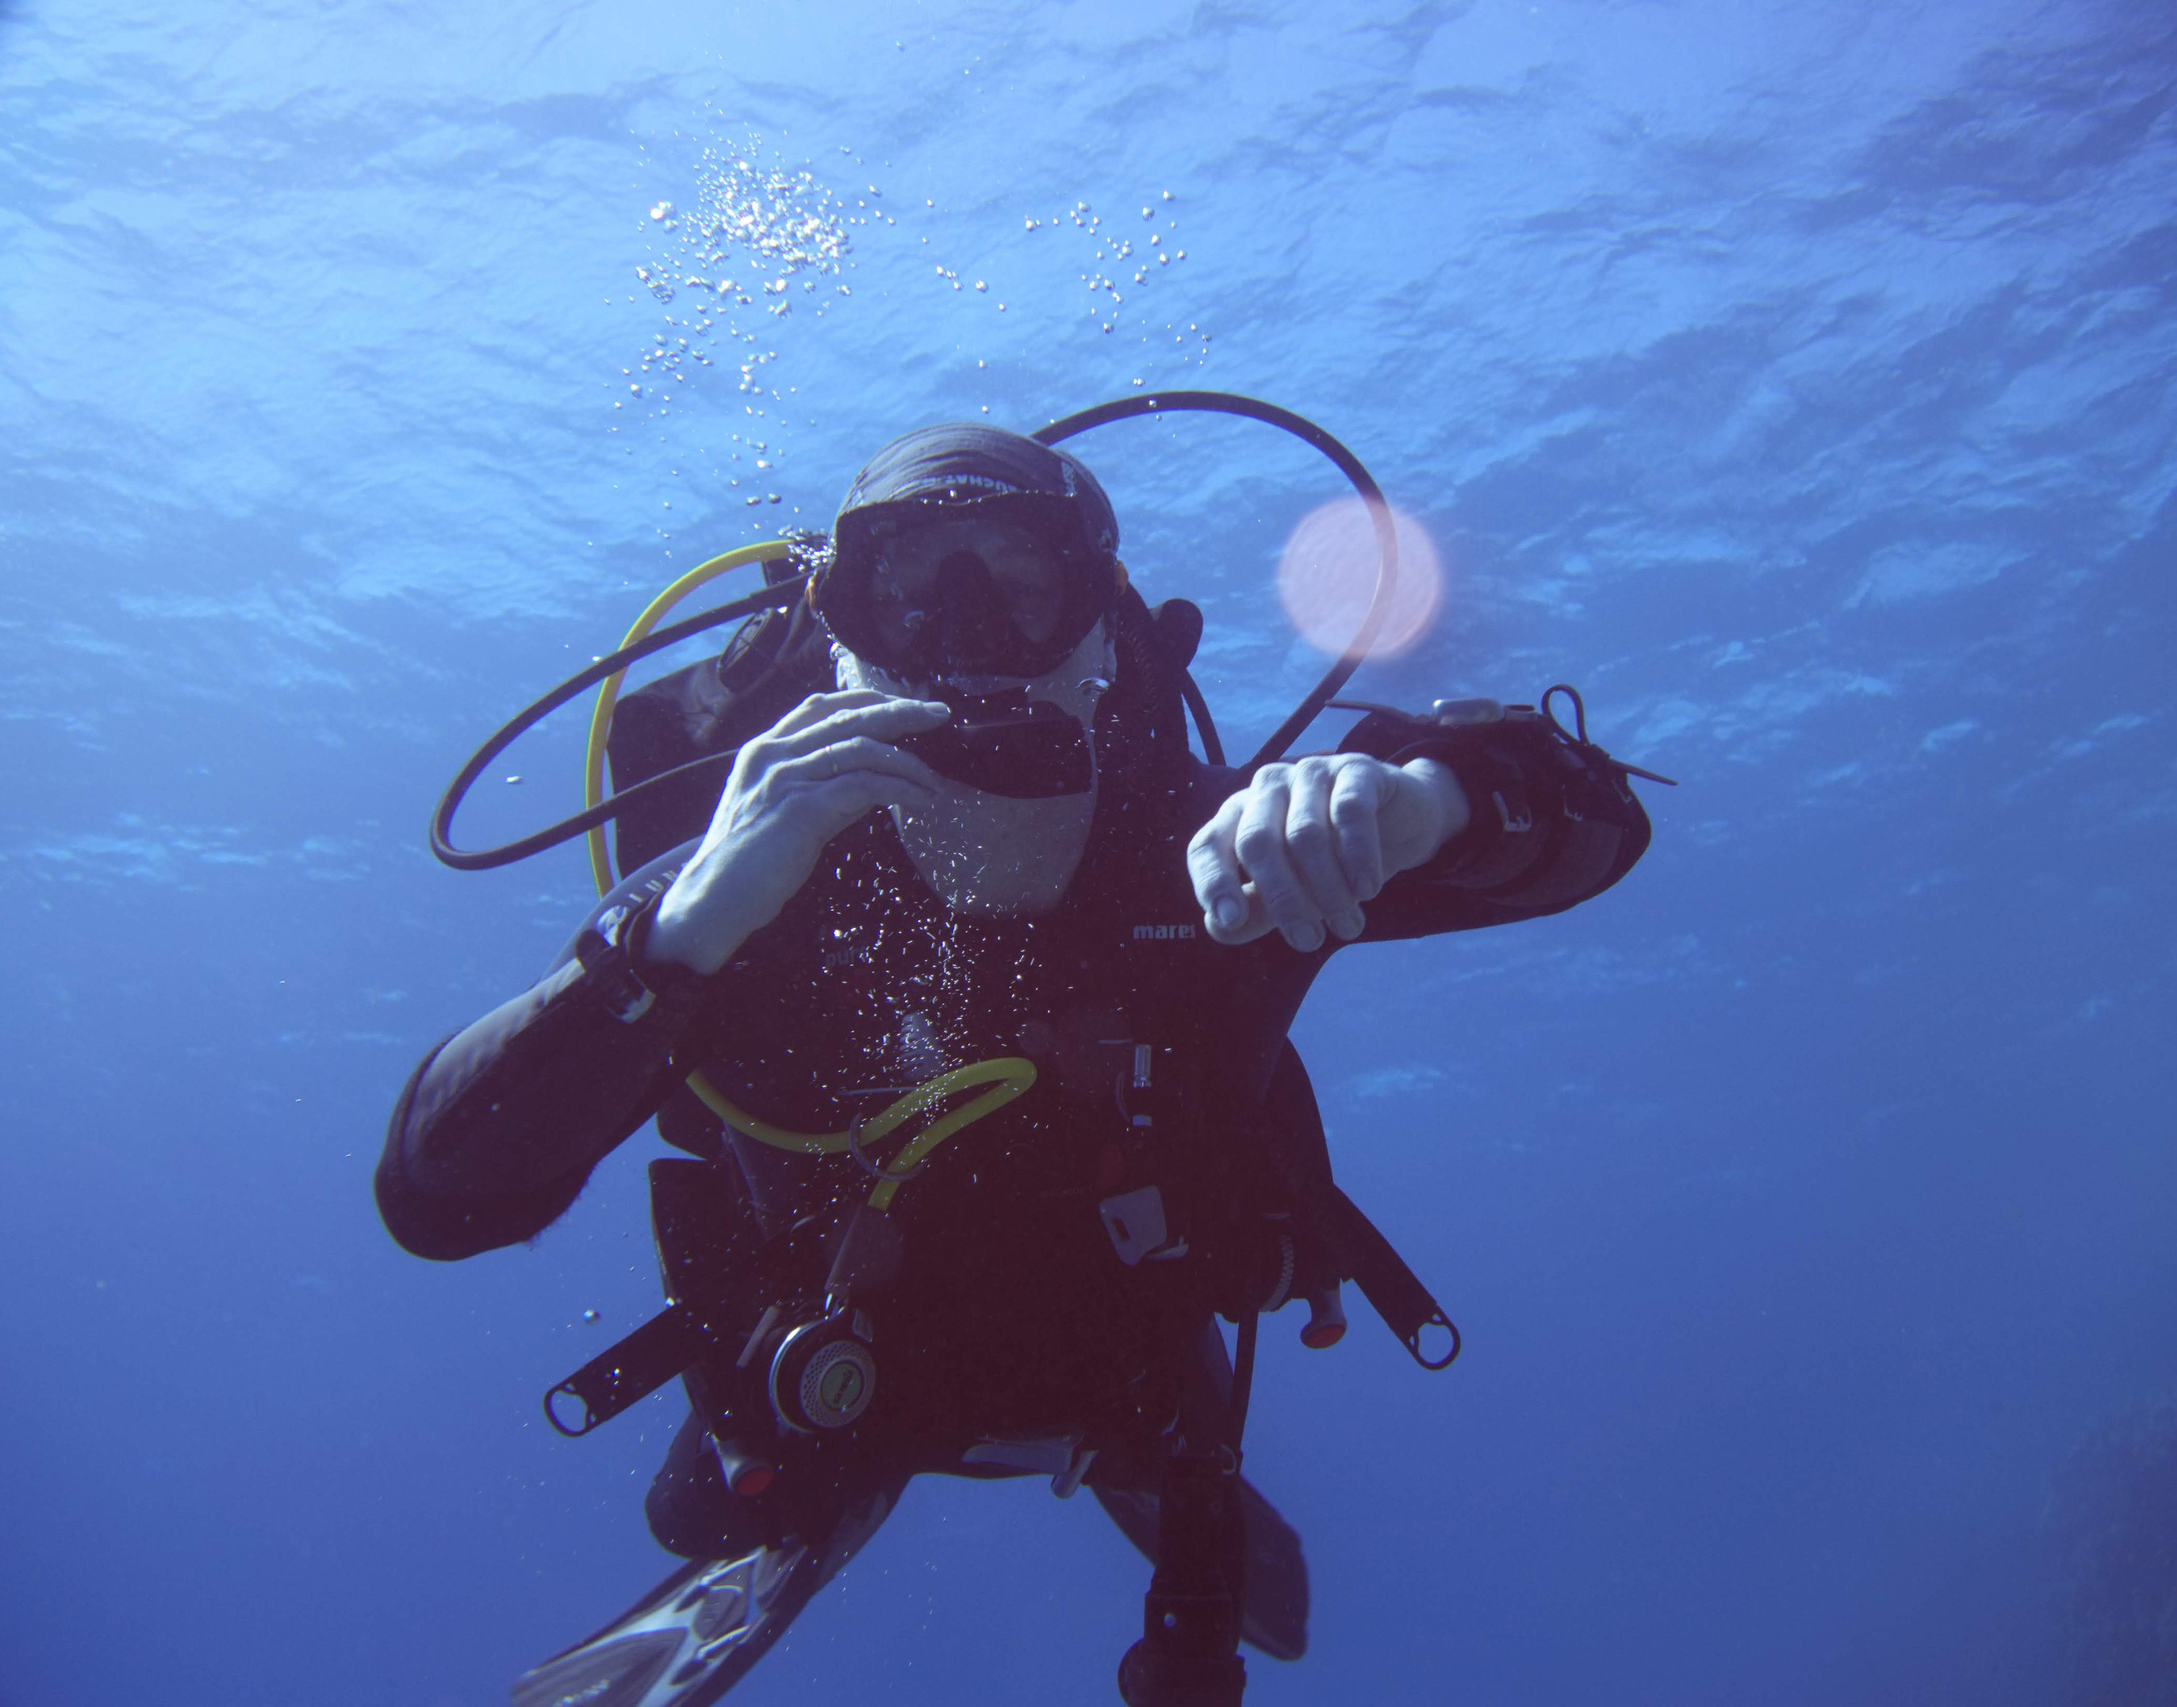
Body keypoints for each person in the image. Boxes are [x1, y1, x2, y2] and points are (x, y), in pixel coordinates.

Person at [378, 421, 1655, 1706]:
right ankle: (825, 1477)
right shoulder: (734, 889)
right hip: (827, 1365)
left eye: (1024, 581)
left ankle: (1135, 1466)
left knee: (1145, 1416)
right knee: (709, 1505)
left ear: (1103, 632)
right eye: (907, 589)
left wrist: (1423, 803)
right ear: (837, 634)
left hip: (1130, 1361)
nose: (968, 637)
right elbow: (436, 1198)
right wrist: (676, 942)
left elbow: (1600, 825)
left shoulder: (1220, 850)